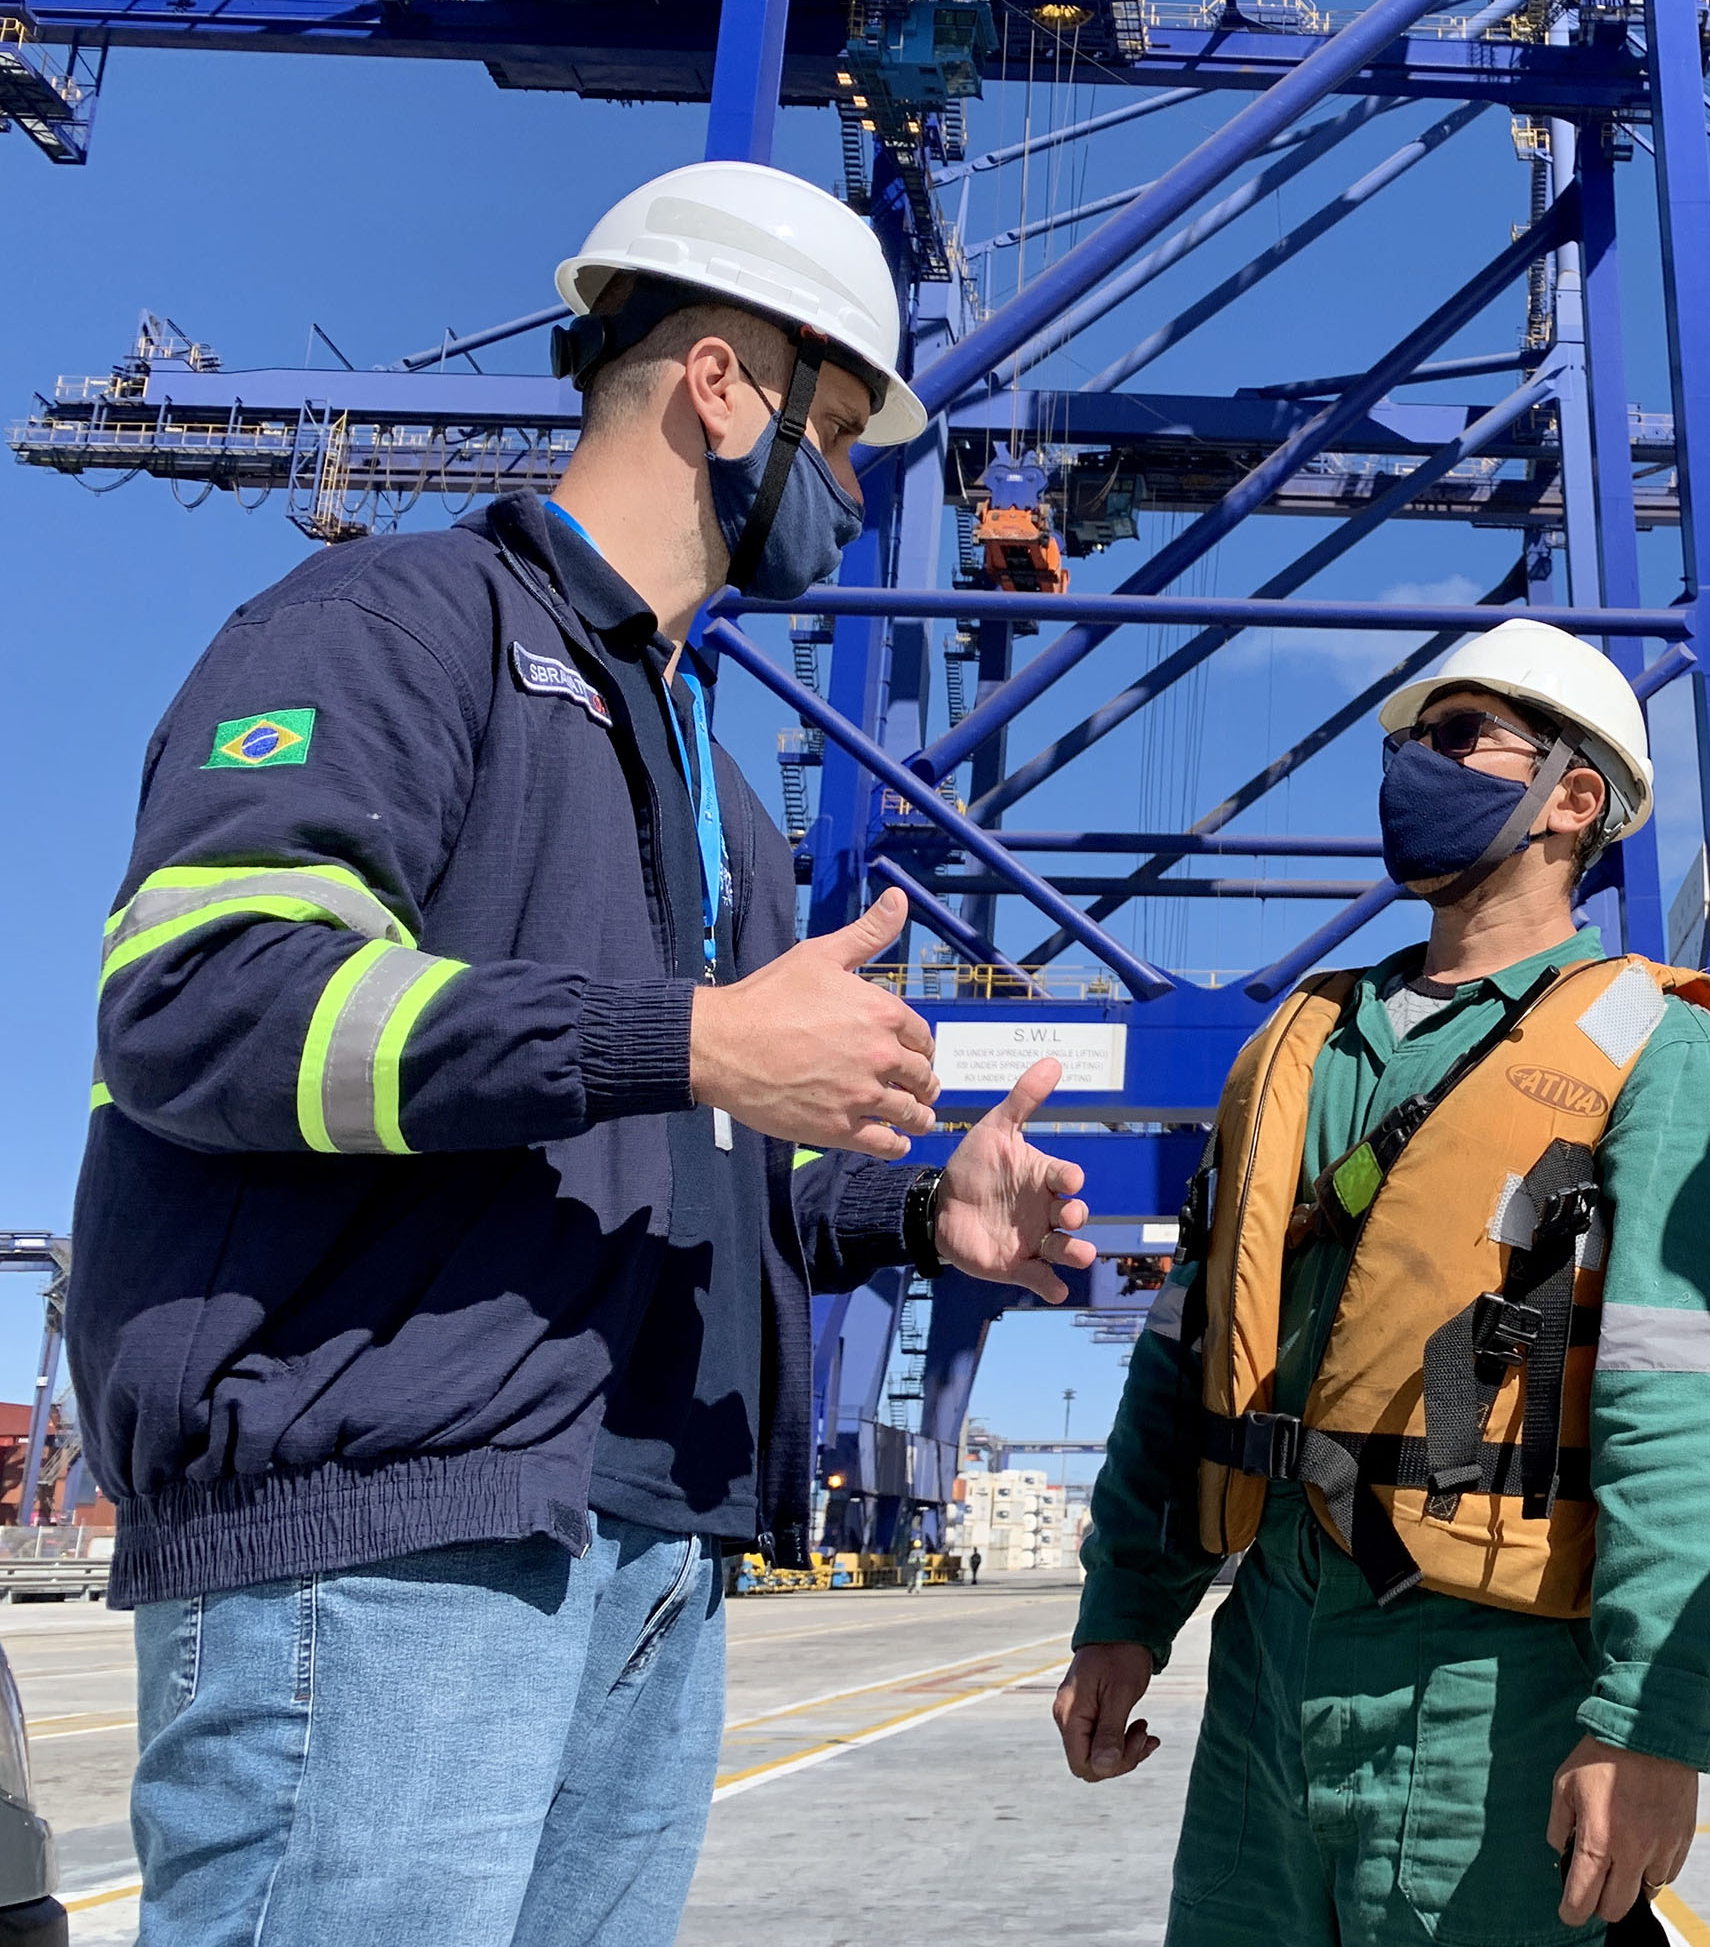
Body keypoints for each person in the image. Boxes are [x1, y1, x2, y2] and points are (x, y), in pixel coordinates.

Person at [75, 160, 1096, 1945]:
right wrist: (688, 1037)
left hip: (645, 1556)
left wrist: (922, 1221)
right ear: (724, 385)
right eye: (842, 435)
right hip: (382, 1538)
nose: (851, 494)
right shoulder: (397, 625)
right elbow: (203, 994)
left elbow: (684, 1149)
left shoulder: (714, 785)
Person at [1052, 621, 1710, 1945]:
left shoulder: (1663, 1057)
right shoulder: (1295, 1047)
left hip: (1486, 1690)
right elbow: (1187, 1357)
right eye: (1409, 742)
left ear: (1574, 799)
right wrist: (1124, 1614)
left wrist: (1654, 1724)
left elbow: (1693, 1418)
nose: (1413, 767)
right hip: (1264, 1667)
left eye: (1458, 740)